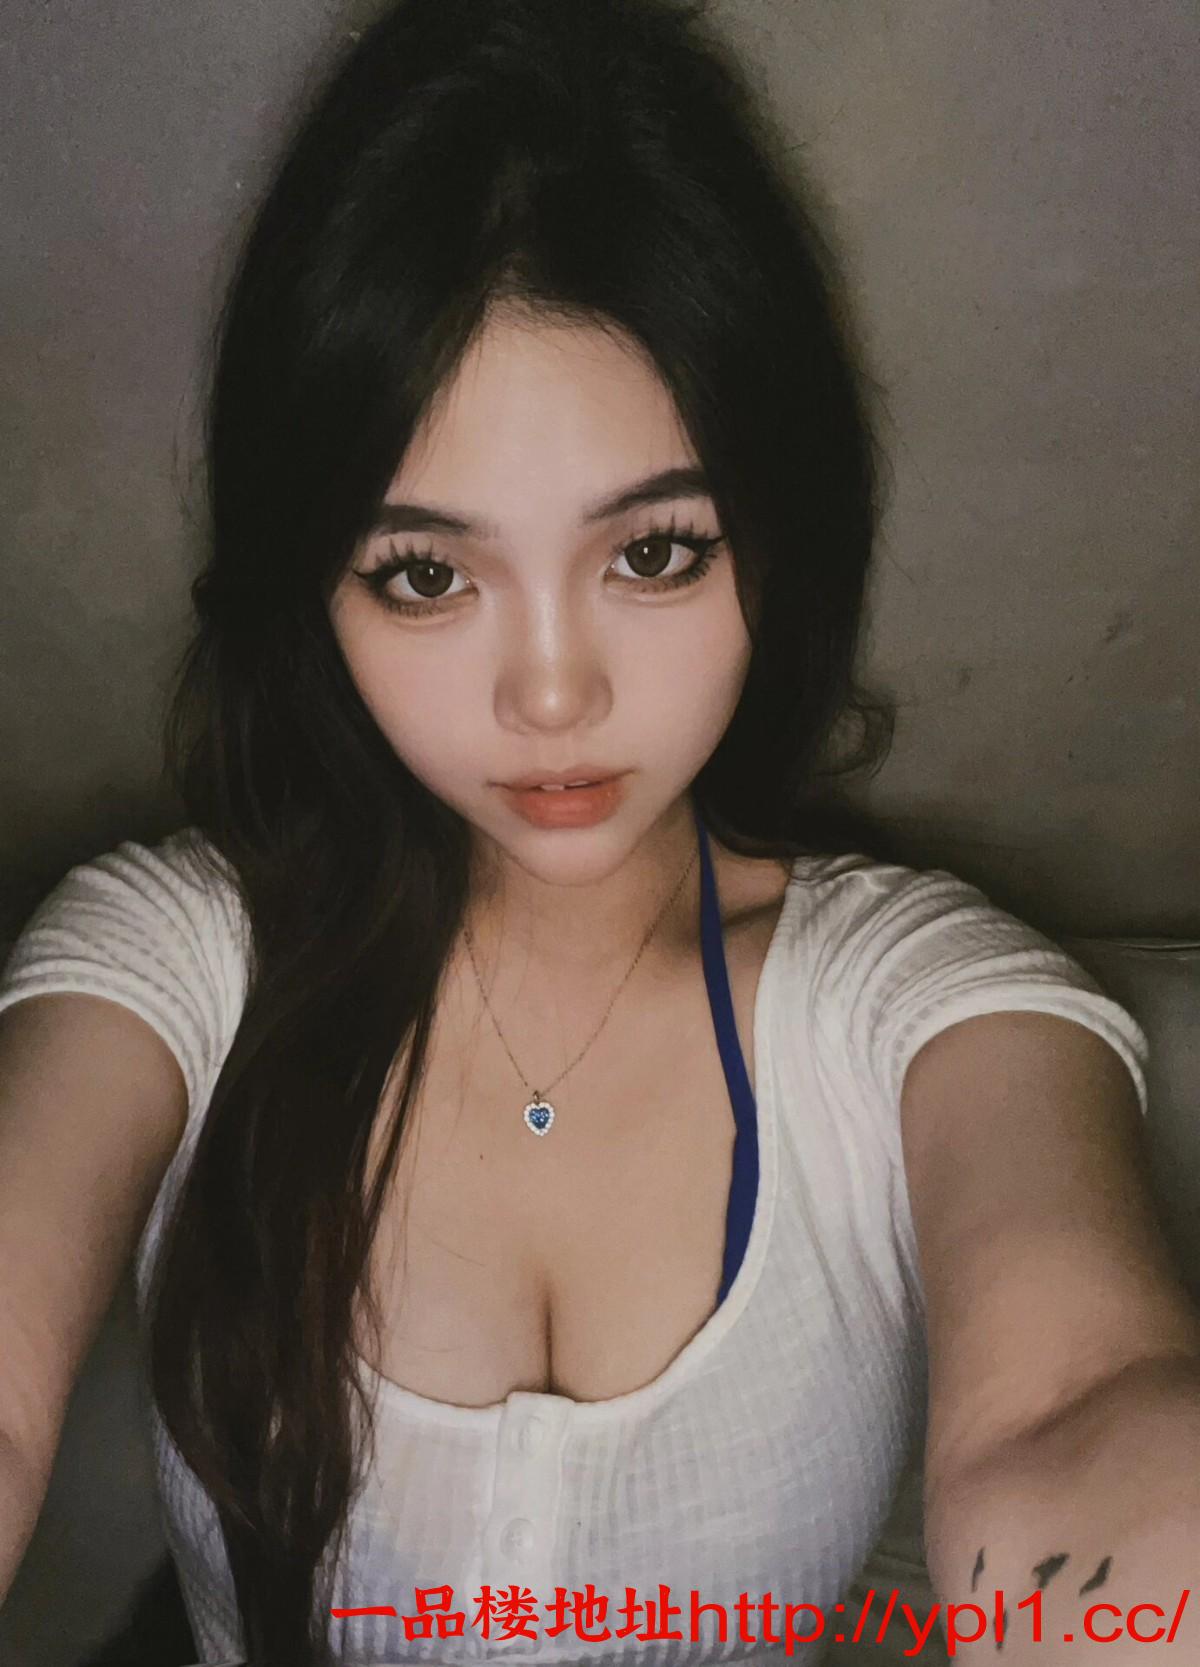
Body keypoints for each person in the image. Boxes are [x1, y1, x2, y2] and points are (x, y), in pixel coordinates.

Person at [1, 0, 1198, 1663]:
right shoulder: (175, 967)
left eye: (653, 554)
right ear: (311, 586)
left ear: (775, 535)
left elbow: (1079, 1414)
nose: (552, 695)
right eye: (425, 573)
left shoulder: (925, 1010)